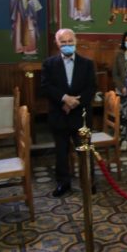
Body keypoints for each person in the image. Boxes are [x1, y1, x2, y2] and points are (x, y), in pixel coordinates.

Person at [41, 28, 96, 197]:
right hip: (59, 115)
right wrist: (64, 99)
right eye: (63, 42)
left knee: (85, 152)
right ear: (57, 43)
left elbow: (91, 88)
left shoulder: (87, 64)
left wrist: (73, 103)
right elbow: (46, 87)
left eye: (70, 41)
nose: (67, 45)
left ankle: (88, 181)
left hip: (81, 116)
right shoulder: (49, 64)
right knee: (61, 152)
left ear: (75, 41)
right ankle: (63, 183)